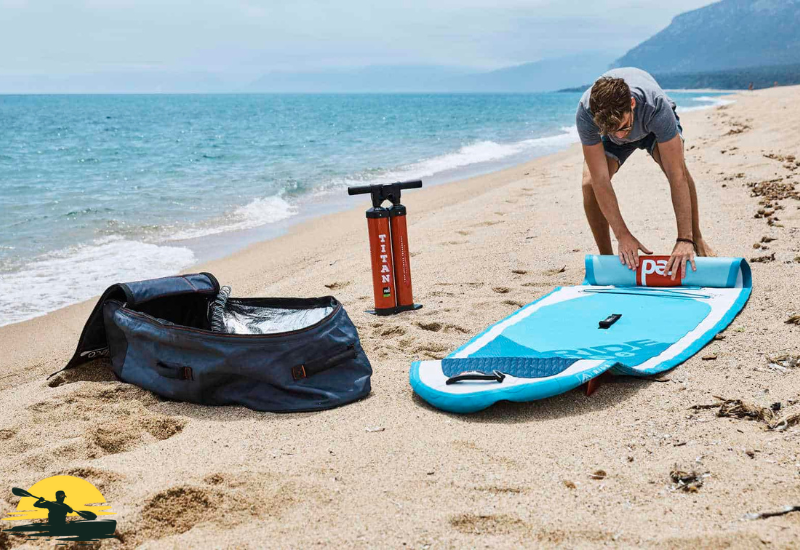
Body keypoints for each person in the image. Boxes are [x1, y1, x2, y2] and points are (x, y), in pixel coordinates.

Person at [576, 67, 714, 281]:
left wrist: (683, 239)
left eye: (622, 127)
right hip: (614, 133)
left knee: (679, 170)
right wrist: (623, 234)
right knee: (588, 184)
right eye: (613, 130)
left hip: (652, 130)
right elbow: (600, 180)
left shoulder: (655, 105)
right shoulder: (587, 113)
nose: (621, 135)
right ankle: (608, 259)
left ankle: (695, 238)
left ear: (632, 104)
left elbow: (676, 175)